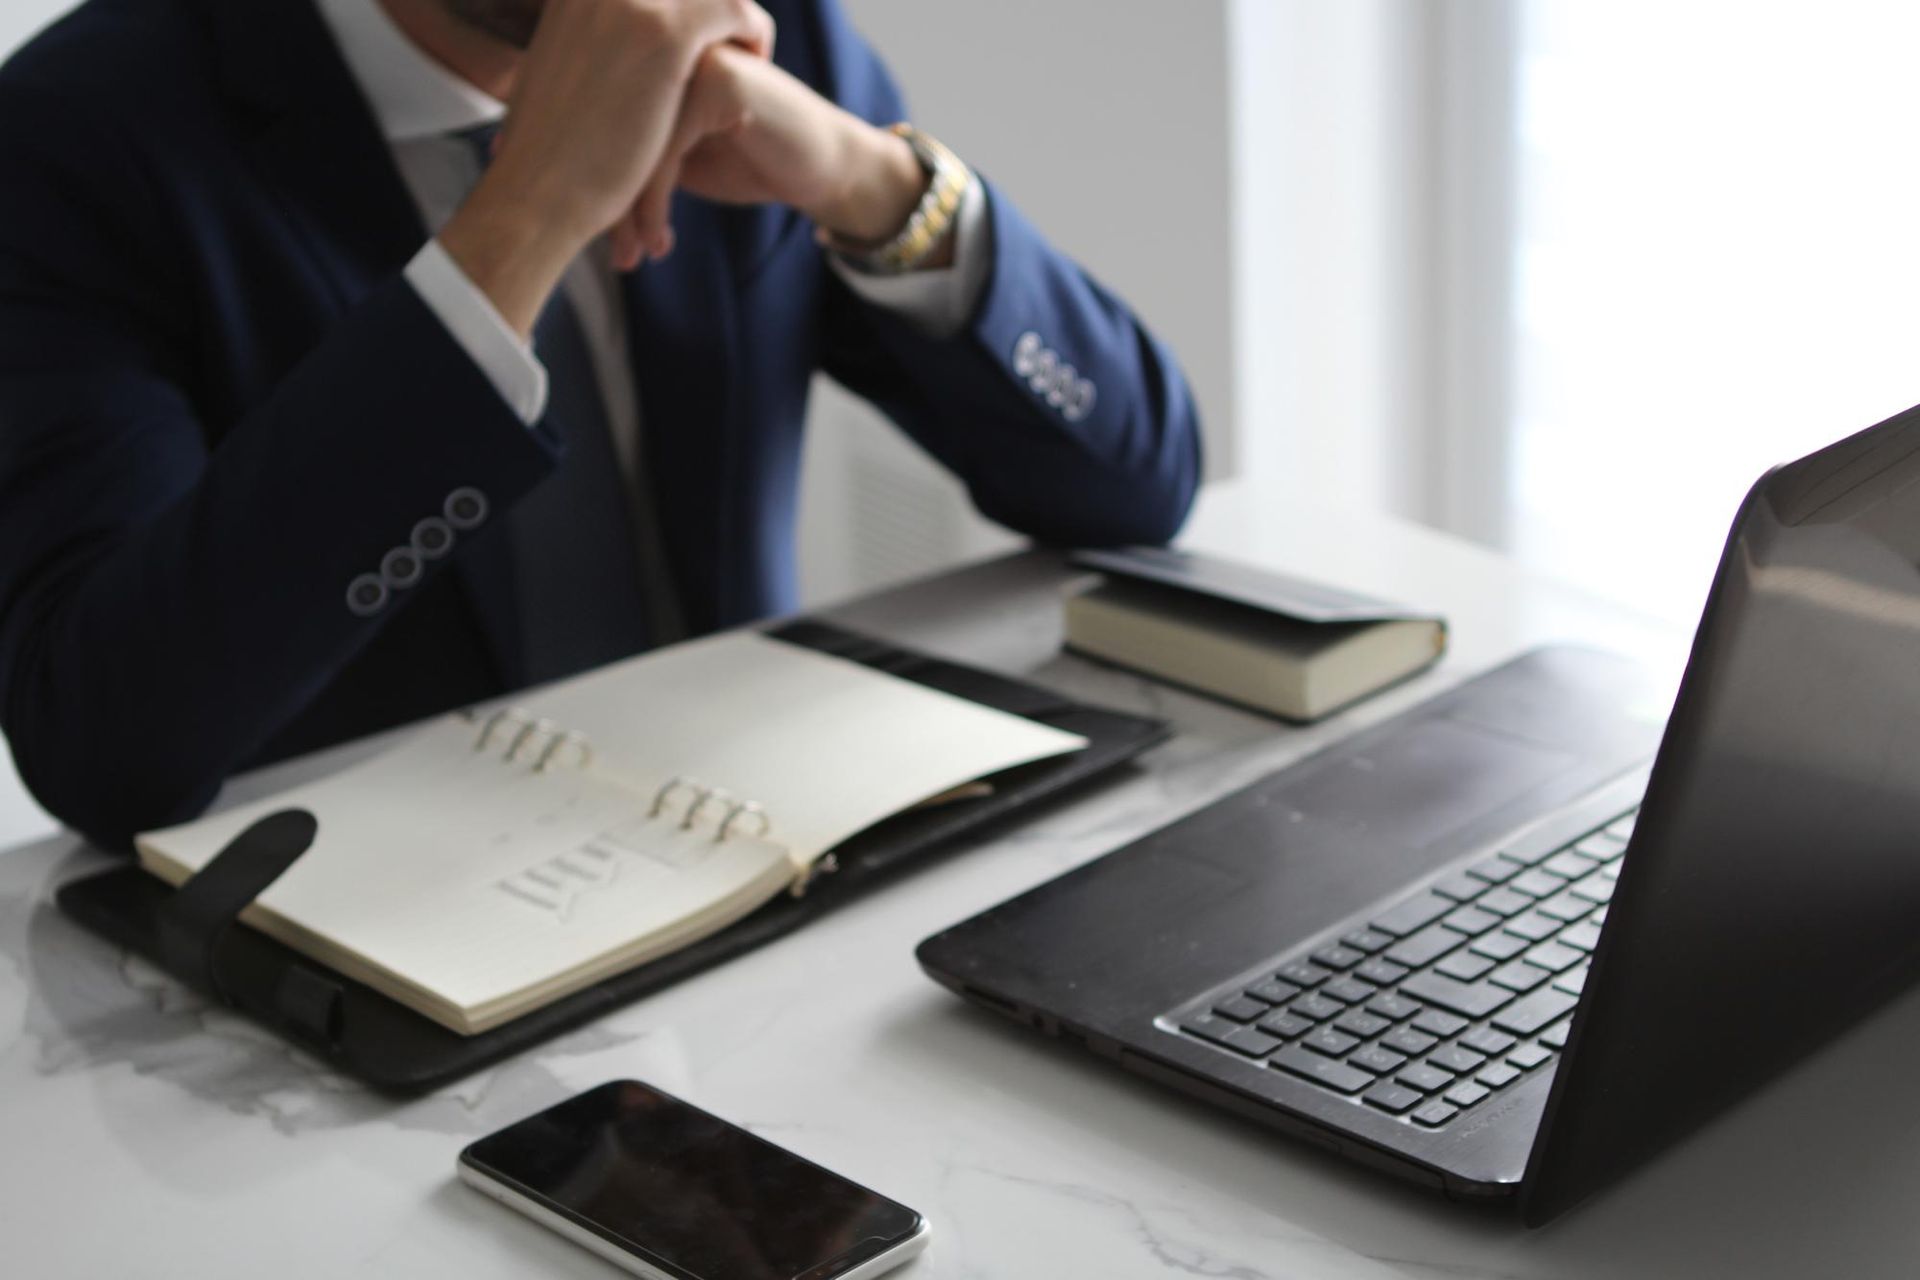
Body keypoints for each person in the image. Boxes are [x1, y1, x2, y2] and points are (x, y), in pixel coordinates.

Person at [0, 0, 1202, 850]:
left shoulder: (764, 26)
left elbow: (1133, 486)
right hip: (347, 981)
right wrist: (520, 217)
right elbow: (104, 743)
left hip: (754, 870)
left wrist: (866, 182)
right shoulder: (73, 133)